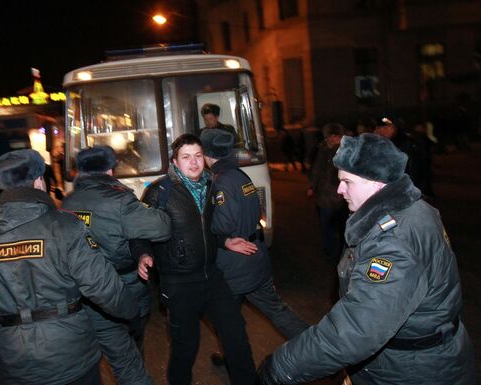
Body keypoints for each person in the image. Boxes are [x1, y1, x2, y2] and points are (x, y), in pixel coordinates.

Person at [258, 133, 476, 385]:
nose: (339, 190)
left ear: (377, 182)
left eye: (347, 182)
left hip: (412, 371)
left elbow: (357, 329)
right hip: (408, 360)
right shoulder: (411, 208)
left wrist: (280, 367)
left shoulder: (394, 241)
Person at [0, 149, 139, 385]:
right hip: (71, 355)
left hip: (15, 359)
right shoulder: (65, 226)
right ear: (38, 181)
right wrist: (130, 313)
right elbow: (103, 286)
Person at [131, 133, 256, 385]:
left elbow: (210, 227)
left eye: (198, 156)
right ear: (175, 162)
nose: (194, 162)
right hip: (179, 283)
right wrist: (142, 254)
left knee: (236, 336)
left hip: (212, 276)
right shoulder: (160, 191)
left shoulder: (212, 185)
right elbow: (138, 232)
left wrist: (225, 241)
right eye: (186, 157)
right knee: (185, 348)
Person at [62, 145, 172, 385]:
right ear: (111, 171)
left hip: (81, 291)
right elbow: (161, 228)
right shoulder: (119, 200)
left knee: (104, 352)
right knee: (129, 356)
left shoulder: (68, 201)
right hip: (122, 286)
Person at [200, 129, 309, 367]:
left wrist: (202, 217)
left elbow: (223, 224)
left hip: (234, 264)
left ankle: (236, 359)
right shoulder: (240, 175)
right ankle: (320, 349)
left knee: (221, 316)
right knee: (276, 310)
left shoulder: (221, 182)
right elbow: (256, 211)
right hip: (255, 256)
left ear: (207, 154)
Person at [306, 123, 348, 262]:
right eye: (331, 136)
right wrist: (312, 186)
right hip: (324, 194)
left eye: (336, 137)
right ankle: (329, 248)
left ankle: (341, 250)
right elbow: (316, 169)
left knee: (341, 224)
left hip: (341, 195)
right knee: (326, 223)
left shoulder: (345, 151)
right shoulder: (323, 150)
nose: (333, 139)